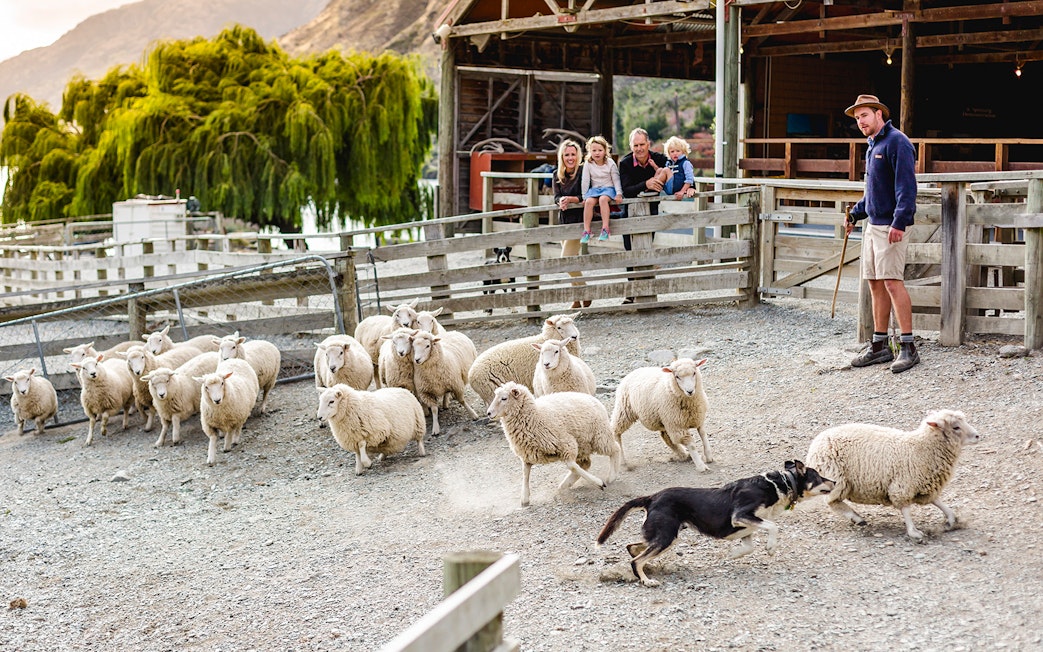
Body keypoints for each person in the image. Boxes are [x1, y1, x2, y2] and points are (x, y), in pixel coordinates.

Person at [844, 93, 920, 373]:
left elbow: (906, 188)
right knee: (875, 283)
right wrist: (856, 212)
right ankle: (879, 345)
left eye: (864, 115)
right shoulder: (872, 145)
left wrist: (900, 222)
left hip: (891, 226)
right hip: (873, 224)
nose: (860, 121)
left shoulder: (897, 141)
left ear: (879, 113)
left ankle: (908, 347)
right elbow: (874, 191)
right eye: (857, 118)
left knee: (892, 282)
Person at [618, 128, 669, 304]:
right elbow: (626, 190)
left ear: (648, 144)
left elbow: (676, 173)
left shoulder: (660, 159)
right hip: (629, 213)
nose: (639, 148)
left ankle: (646, 291)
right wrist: (646, 184)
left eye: (642, 144)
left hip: (651, 211)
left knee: (646, 249)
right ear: (631, 146)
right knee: (630, 251)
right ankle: (632, 291)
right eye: (635, 145)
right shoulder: (624, 164)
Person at [552, 139, 591, 309]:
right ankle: (576, 299)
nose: (570, 158)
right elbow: (555, 197)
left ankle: (585, 290)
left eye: (573, 154)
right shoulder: (557, 175)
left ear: (578, 155)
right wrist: (560, 200)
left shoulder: (583, 172)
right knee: (572, 260)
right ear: (562, 156)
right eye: (567, 154)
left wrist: (572, 199)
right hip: (564, 221)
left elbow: (587, 195)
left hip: (579, 221)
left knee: (565, 259)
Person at [579, 135, 622, 244]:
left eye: (600, 150)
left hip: (608, 189)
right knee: (589, 202)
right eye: (594, 150)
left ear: (605, 151)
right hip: (595, 190)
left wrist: (619, 193)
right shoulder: (588, 164)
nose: (597, 153)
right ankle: (587, 230)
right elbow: (585, 180)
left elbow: (616, 179)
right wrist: (584, 196)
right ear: (589, 151)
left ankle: (605, 228)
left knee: (603, 199)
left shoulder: (610, 163)